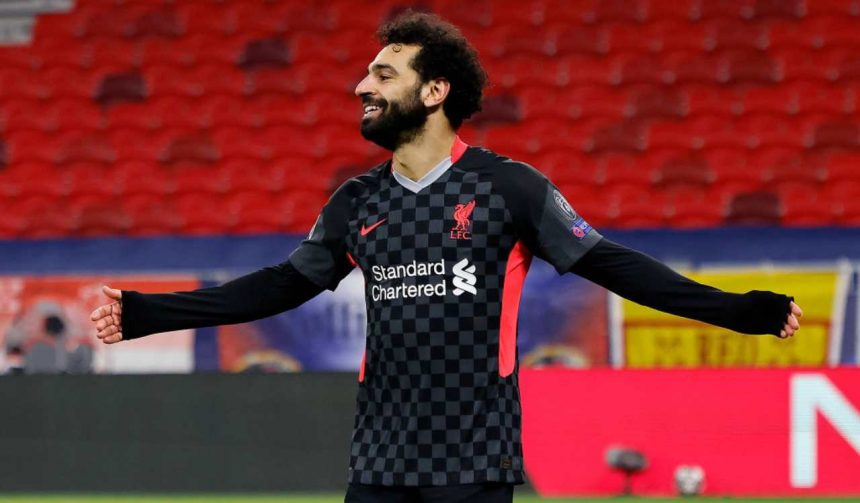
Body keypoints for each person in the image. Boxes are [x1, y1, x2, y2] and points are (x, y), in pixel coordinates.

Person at [90, 12, 803, 503]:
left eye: (384, 74)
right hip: (377, 463)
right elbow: (279, 286)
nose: (362, 87)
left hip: (473, 462)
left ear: (434, 92)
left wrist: (743, 311)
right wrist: (148, 313)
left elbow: (614, 265)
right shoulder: (355, 202)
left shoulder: (509, 188)